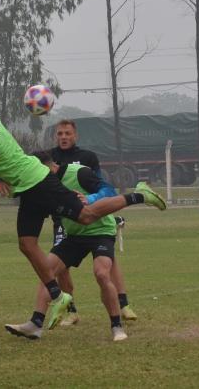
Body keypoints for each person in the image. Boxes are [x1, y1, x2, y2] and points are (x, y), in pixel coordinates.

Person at [0, 104, 166, 331]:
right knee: (26, 244)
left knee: (87, 216)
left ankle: (140, 195)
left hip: (38, 182)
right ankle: (56, 298)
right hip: (27, 187)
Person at [5, 152, 128, 341]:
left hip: (100, 232)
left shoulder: (79, 173)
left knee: (102, 274)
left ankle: (117, 326)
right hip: (74, 236)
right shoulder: (45, 187)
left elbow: (110, 191)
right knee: (46, 270)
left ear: (47, 167)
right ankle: (36, 325)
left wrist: (90, 199)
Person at [50, 119, 137, 325]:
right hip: (64, 219)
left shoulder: (87, 157)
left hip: (93, 215)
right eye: (60, 133)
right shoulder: (50, 158)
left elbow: (102, 187)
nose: (63, 137)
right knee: (61, 266)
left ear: (75, 135)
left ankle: (123, 303)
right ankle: (71, 311)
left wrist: (91, 200)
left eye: (67, 133)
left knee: (107, 260)